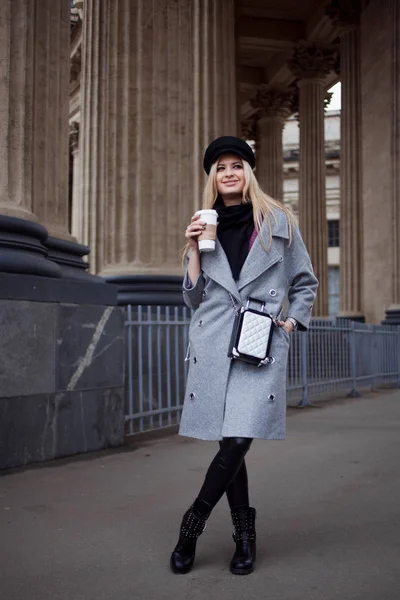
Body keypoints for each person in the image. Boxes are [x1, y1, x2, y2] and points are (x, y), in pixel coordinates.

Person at [170, 136, 318, 576]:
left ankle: (191, 526)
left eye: (237, 165)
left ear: (249, 172)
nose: (229, 173)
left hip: (259, 345)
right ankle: (245, 538)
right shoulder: (204, 223)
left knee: (237, 440)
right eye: (220, 167)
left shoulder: (279, 222)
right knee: (231, 447)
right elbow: (195, 298)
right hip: (214, 342)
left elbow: (305, 282)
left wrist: (291, 323)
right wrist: (193, 247)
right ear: (213, 177)